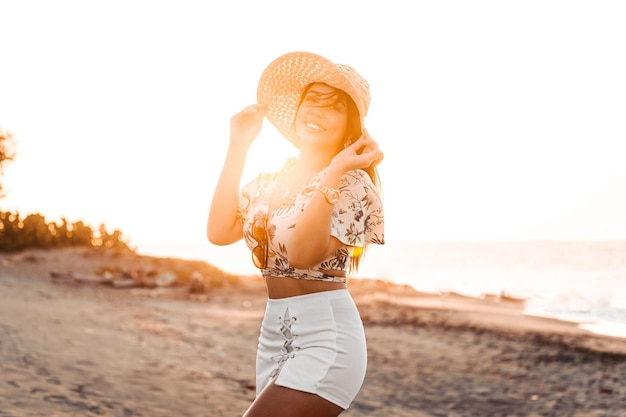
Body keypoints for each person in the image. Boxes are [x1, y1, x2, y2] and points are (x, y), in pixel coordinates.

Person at [207, 51, 385, 417]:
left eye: (333, 106)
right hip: (272, 337)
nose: (317, 110)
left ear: (350, 126)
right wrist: (238, 145)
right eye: (312, 100)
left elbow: (304, 255)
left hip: (328, 340)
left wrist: (335, 170)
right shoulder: (270, 181)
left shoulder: (353, 184)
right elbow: (218, 231)